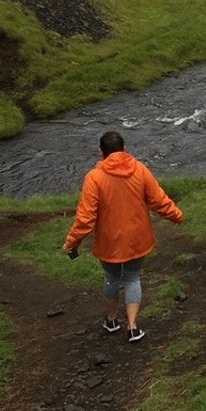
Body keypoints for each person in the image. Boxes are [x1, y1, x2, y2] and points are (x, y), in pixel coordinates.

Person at [62, 130, 183, 343]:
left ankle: (111, 320)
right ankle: (133, 327)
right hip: (138, 237)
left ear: (101, 152)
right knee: (132, 277)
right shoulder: (140, 169)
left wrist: (72, 242)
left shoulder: (94, 178)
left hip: (109, 240)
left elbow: (85, 218)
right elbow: (158, 200)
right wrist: (176, 215)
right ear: (124, 149)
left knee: (111, 278)